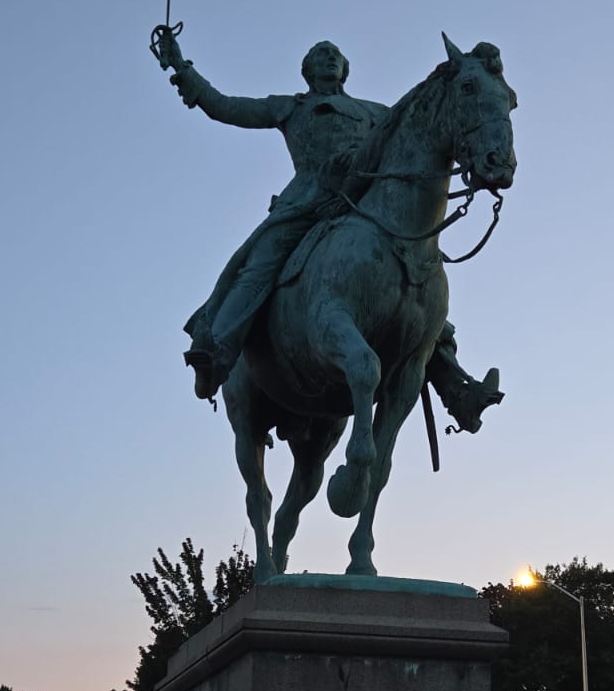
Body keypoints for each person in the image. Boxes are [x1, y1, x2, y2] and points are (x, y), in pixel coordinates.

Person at [153, 29, 502, 431]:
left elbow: (418, 130)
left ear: (346, 69)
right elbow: (226, 106)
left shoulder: (375, 111)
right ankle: (216, 355)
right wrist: (182, 68)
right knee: (257, 267)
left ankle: (457, 391)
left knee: (421, 280)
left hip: (367, 202)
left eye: (334, 53)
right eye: (320, 54)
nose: (328, 57)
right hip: (307, 202)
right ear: (306, 70)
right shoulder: (290, 107)